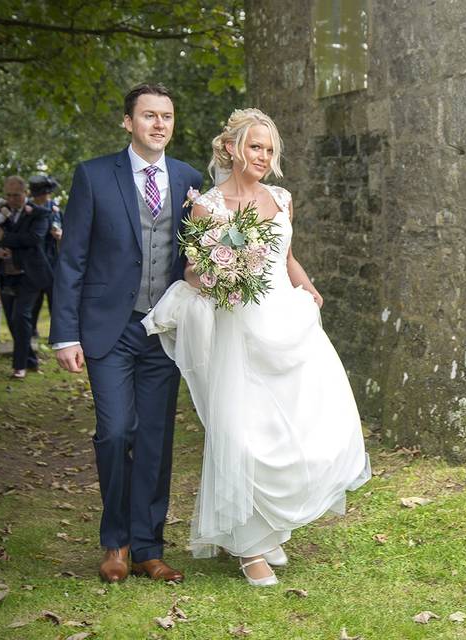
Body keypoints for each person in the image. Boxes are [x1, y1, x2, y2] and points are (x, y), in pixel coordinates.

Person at [144, 108, 370, 587]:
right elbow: (191, 270)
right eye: (255, 147)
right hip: (238, 328)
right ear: (231, 148)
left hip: (288, 324)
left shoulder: (282, 198)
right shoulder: (209, 205)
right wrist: (216, 275)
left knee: (301, 430)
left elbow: (286, 256)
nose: (264, 156)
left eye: (270, 149)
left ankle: (271, 527)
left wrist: (308, 287)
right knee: (244, 434)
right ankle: (249, 547)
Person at [50, 83, 202, 584]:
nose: (159, 124)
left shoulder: (189, 180)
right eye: (148, 116)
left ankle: (147, 548)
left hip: (165, 329)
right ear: (128, 122)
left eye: (167, 115)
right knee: (117, 432)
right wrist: (64, 334)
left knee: (155, 440)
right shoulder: (94, 176)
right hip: (108, 328)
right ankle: (114, 541)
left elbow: (198, 258)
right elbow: (71, 258)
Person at [0, 176, 53, 378]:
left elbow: (34, 238)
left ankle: (18, 367)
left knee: (20, 317)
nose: (12, 199)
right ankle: (30, 360)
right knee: (12, 322)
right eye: (8, 195)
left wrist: (3, 238)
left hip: (31, 275)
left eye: (16, 195)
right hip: (6, 275)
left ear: (26, 194)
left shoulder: (40, 214)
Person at [27, 175, 62, 338]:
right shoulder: (27, 209)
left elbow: (62, 226)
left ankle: (57, 331)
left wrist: (60, 233)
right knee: (34, 299)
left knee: (55, 297)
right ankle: (31, 329)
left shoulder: (54, 207)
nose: (44, 197)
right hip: (33, 257)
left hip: (52, 258)